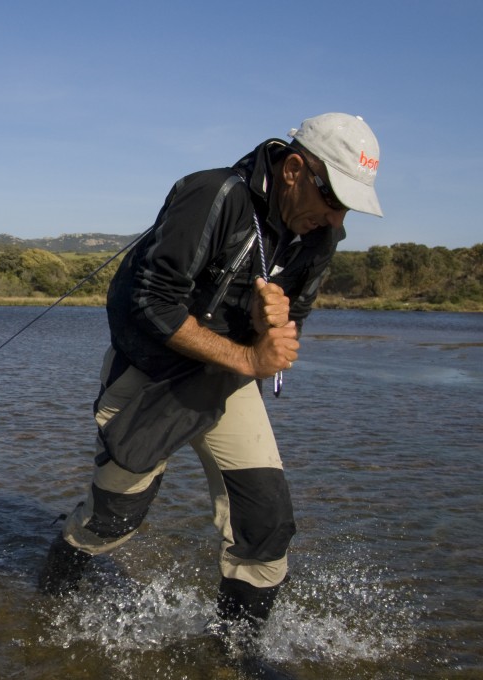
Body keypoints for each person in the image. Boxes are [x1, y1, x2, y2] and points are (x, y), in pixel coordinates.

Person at [38, 113, 383, 643]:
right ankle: (48, 601)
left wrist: (278, 327)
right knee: (114, 521)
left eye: (348, 208)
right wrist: (250, 359)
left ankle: (232, 654)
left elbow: (292, 325)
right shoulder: (213, 195)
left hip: (223, 383)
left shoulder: (319, 237)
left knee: (266, 522)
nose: (337, 220)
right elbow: (150, 302)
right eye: (333, 199)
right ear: (295, 169)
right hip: (150, 378)